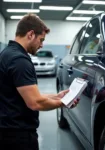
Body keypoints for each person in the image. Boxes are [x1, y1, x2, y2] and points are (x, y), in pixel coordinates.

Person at [0, 13, 79, 150]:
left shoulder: (7, 53)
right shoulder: (19, 61)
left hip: (7, 131)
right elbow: (35, 102)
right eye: (41, 40)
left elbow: (26, 94)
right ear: (30, 34)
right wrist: (64, 103)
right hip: (17, 137)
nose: (41, 45)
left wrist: (56, 96)